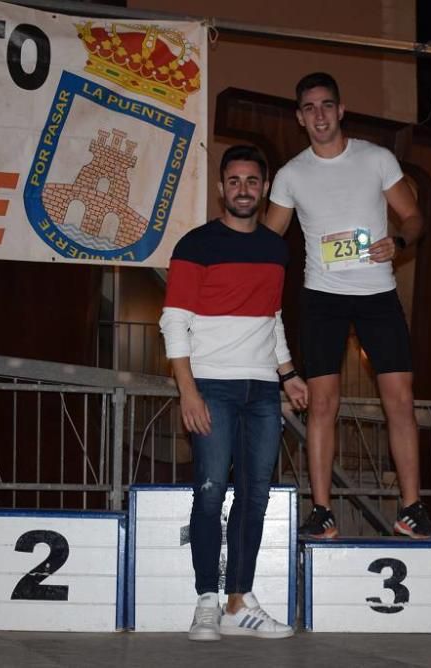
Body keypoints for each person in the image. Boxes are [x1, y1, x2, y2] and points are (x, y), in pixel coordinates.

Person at [265, 72, 431, 540]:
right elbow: (267, 241)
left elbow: (413, 216)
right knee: (322, 404)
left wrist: (400, 240)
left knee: (401, 401)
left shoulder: (376, 158)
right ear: (299, 117)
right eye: (309, 108)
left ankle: (411, 509)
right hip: (322, 298)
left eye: (327, 106)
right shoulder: (290, 175)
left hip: (377, 295)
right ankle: (321, 512)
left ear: (341, 110)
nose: (319, 115)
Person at [160, 145, 308, 641]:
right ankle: (206, 599)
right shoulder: (195, 245)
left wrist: (288, 374)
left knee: (255, 497)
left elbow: (272, 319)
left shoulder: (276, 249)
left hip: (264, 390)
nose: (243, 189)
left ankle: (239, 602)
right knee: (209, 493)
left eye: (252, 181)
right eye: (234, 180)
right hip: (212, 387)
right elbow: (174, 322)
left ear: (264, 189)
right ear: (222, 187)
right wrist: (189, 392)